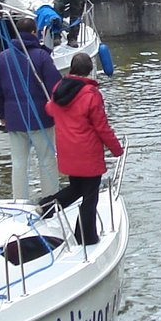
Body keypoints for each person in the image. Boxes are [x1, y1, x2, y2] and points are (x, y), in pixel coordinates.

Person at [43, 51, 124, 245]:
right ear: (89, 70)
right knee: (89, 197)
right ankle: (86, 237)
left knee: (77, 188)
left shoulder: (58, 89)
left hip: (67, 150)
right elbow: (101, 126)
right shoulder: (90, 94)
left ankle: (48, 205)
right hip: (87, 152)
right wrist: (116, 149)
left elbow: (50, 109)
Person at [0, 19, 62, 203]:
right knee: (46, 160)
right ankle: (50, 200)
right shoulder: (42, 57)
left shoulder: (3, 57)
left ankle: (19, 201)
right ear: (34, 32)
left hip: (14, 119)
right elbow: (55, 87)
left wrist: (1, 115)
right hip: (42, 118)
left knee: (19, 163)